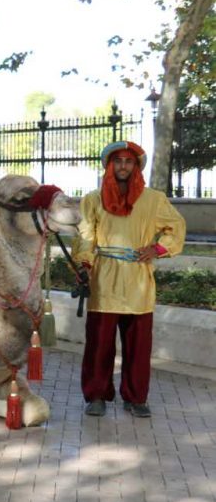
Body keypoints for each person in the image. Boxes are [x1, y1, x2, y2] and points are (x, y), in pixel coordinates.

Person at [73, 141, 185, 418]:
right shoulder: (93, 199)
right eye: (118, 161)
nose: (123, 166)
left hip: (138, 278)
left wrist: (157, 248)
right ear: (109, 165)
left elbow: (177, 226)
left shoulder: (153, 199)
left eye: (129, 161)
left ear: (136, 166)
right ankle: (96, 395)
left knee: (138, 344)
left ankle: (136, 398)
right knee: (99, 343)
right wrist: (85, 261)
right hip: (105, 280)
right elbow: (85, 236)